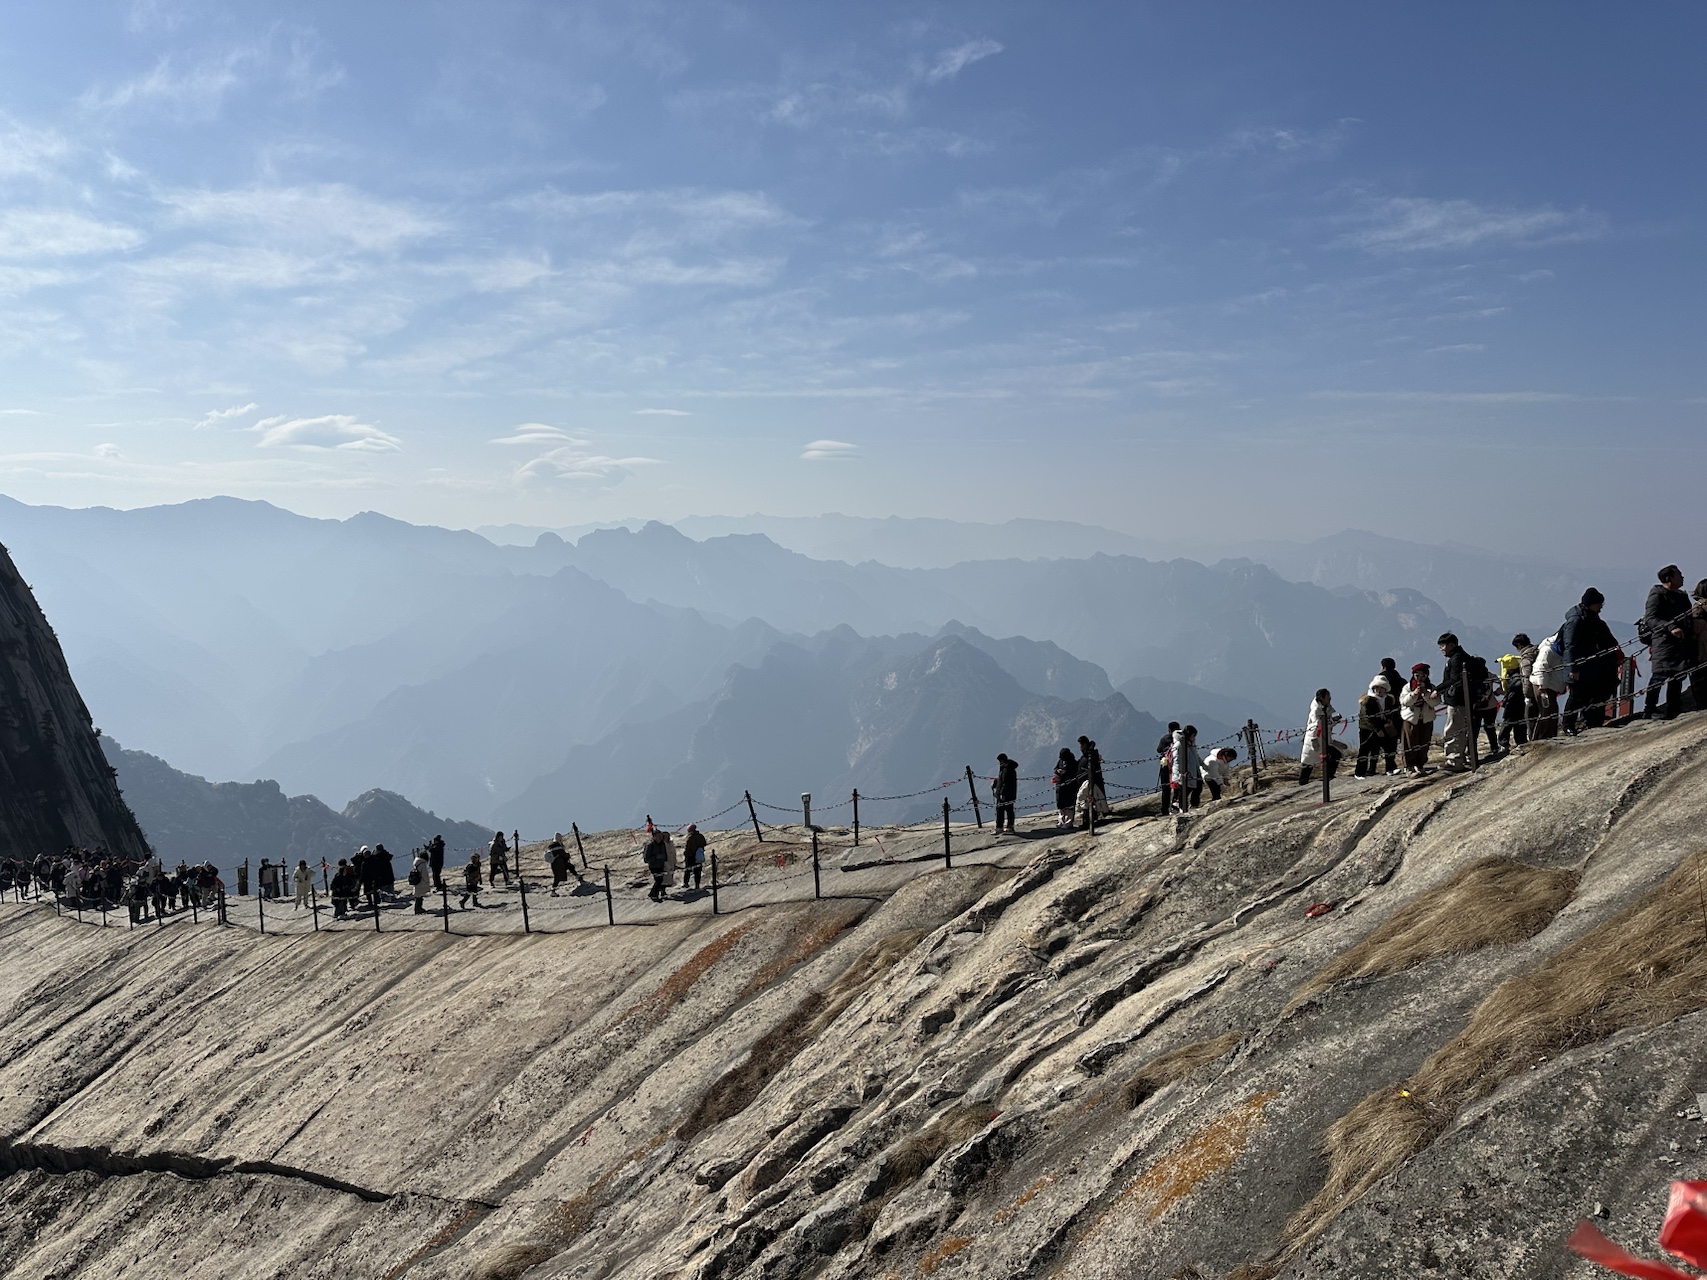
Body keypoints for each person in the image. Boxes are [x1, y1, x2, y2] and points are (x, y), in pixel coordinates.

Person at [1561, 588, 1620, 733]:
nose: (1601, 607)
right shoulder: (1576, 620)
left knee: (1596, 693)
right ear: (1590, 604)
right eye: (1599, 604)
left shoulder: (1593, 618)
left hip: (1596, 666)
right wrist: (1572, 668)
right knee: (1577, 697)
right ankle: (1568, 725)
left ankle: (1593, 720)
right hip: (1580, 666)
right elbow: (1570, 646)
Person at [1642, 565, 1692, 720]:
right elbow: (1650, 618)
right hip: (1663, 641)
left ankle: (1673, 708)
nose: (1682, 577)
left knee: (1678, 675)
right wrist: (1670, 627)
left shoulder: (1682, 596)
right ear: (1669, 578)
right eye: (1679, 575)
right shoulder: (1657, 595)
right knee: (1660, 675)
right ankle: (1649, 709)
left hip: (1681, 641)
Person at [1434, 632, 1482, 772]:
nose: (1441, 649)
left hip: (1457, 701)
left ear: (1452, 645)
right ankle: (1464, 757)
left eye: (1443, 645)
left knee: (1453, 729)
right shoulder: (1461, 657)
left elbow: (1455, 679)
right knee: (1462, 730)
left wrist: (1438, 689)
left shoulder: (1456, 659)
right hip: (1464, 699)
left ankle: (1454, 761)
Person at [1400, 664, 1440, 775]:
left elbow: (1436, 702)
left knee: (1424, 743)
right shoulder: (1407, 687)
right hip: (1411, 719)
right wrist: (1414, 694)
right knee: (1410, 743)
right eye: (1417, 675)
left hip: (1426, 719)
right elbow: (1404, 701)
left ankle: (1420, 764)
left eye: (1423, 676)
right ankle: (1409, 767)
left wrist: (1426, 695)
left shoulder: (1431, 688)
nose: (1420, 678)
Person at [1298, 689, 1342, 786]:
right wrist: (1332, 720)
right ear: (1322, 698)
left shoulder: (1326, 708)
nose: (1330, 698)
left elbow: (1325, 724)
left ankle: (1329, 776)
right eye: (1328, 696)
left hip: (1323, 739)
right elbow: (1317, 724)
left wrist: (1333, 721)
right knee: (1308, 761)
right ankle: (1303, 782)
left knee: (1334, 755)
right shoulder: (1316, 710)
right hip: (1315, 739)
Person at [1355, 679, 1396, 777]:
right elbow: (1369, 717)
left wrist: (1389, 720)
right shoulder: (1368, 700)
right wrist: (1377, 730)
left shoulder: (1388, 699)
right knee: (1365, 749)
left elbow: (1389, 711)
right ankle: (1360, 773)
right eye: (1376, 687)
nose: (1379, 690)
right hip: (1367, 728)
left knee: (1388, 747)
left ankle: (1389, 769)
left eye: (1381, 688)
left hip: (1382, 725)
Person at [1530, 633, 1567, 738]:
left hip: (1552, 685)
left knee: (1553, 712)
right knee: (1546, 713)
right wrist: (1543, 686)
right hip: (1543, 686)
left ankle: (1550, 735)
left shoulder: (1560, 650)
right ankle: (1540, 737)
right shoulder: (1547, 649)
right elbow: (1540, 667)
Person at [1497, 654, 1530, 749]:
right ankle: (1521, 741)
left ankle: (1504, 742)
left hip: (1512, 704)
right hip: (1520, 703)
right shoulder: (1519, 676)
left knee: (1508, 723)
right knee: (1519, 724)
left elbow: (1512, 691)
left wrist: (1505, 699)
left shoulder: (1515, 679)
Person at [1170, 725, 1203, 811]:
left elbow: (1195, 755)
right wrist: (1180, 773)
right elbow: (1177, 760)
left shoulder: (1190, 744)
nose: (1194, 738)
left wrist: (1202, 765)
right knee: (1185, 791)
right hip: (1185, 772)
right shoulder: (1179, 745)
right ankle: (1182, 807)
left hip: (1193, 770)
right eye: (1193, 735)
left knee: (1198, 786)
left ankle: (1194, 805)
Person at [1156, 722, 1179, 816]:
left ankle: (1164, 810)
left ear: (1169, 729)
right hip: (1178, 765)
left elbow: (1158, 750)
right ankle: (1177, 806)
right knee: (1178, 786)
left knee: (1166, 788)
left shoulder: (1165, 738)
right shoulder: (1181, 738)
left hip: (1166, 765)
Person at [1051, 748, 1079, 828]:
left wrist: (1066, 772)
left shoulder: (1073, 762)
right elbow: (1055, 769)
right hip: (1060, 786)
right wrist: (1058, 771)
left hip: (1069, 786)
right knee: (1061, 804)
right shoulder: (1060, 761)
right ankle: (1061, 821)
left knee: (1069, 805)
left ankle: (1068, 822)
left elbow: (1075, 773)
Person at [642, 828, 670, 902]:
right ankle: (654, 895)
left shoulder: (662, 844)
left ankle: (652, 893)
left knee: (660, 880)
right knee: (658, 880)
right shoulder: (650, 845)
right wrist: (656, 857)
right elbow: (646, 858)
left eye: (660, 836)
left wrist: (664, 859)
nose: (660, 838)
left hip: (661, 865)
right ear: (654, 837)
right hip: (653, 866)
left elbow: (665, 854)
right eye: (658, 836)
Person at [993, 754, 1018, 832]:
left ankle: (999, 827)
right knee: (1009, 810)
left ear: (1002, 760)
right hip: (1010, 793)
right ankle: (1010, 826)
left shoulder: (1006, 769)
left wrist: (1000, 793)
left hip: (1004, 794)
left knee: (1000, 810)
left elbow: (1005, 782)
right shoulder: (1009, 768)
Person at [681, 824, 707, 891]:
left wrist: (685, 854)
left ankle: (686, 883)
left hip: (690, 856)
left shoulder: (690, 837)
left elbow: (687, 848)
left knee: (688, 870)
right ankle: (697, 884)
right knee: (698, 871)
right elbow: (704, 843)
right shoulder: (701, 836)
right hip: (698, 856)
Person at [410, 847, 431, 914]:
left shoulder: (416, 862)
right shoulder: (423, 864)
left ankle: (418, 908)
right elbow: (425, 874)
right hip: (421, 881)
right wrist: (427, 881)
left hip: (416, 881)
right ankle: (418, 909)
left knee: (418, 895)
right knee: (420, 896)